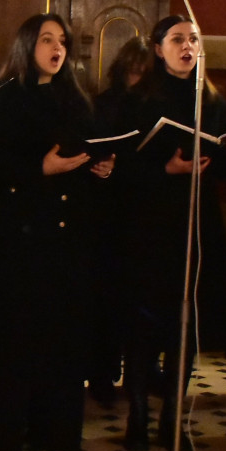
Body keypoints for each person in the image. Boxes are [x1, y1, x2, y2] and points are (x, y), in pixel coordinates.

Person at [0, 13, 114, 451]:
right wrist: (39, 169)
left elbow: (90, 146)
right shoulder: (1, 98)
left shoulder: (76, 97)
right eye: (46, 40)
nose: (57, 49)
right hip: (19, 237)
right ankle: (8, 435)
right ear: (26, 46)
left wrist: (102, 167)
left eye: (62, 41)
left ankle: (57, 431)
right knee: (17, 341)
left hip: (70, 235)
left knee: (64, 339)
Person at [113, 15, 226, 451]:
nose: (188, 46)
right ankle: (138, 413)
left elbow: (222, 165)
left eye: (194, 39)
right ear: (158, 48)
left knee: (186, 325)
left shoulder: (213, 100)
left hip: (197, 221)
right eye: (177, 39)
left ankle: (172, 417)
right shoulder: (138, 99)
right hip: (149, 224)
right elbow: (121, 165)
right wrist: (165, 168)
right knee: (145, 325)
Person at [87, 35, 153, 408]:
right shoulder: (104, 105)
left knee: (142, 303)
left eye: (144, 73)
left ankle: (143, 375)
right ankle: (102, 373)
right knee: (107, 299)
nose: (137, 79)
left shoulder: (157, 105)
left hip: (145, 214)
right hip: (108, 215)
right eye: (132, 72)